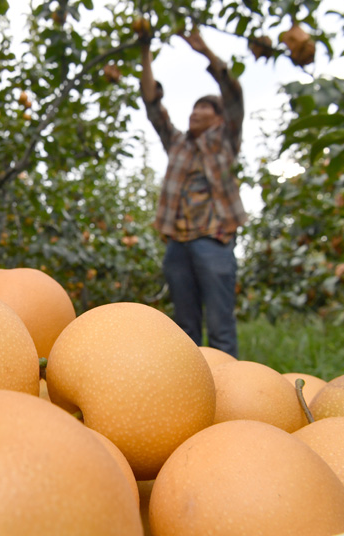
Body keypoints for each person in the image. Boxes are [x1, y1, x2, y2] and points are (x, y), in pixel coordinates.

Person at [139, 28, 248, 357]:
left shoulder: (225, 139)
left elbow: (233, 95)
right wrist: (145, 50)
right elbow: (152, 105)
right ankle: (192, 390)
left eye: (205, 108)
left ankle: (229, 393)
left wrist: (206, 52)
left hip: (212, 240)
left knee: (220, 326)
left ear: (218, 119)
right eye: (194, 107)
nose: (195, 111)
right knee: (184, 330)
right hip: (177, 243)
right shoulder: (178, 144)